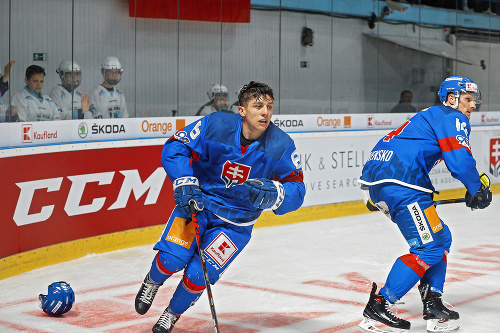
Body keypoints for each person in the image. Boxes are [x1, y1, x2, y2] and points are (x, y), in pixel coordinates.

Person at [134, 81, 305, 333]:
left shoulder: (281, 145)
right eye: (257, 106)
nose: (265, 112)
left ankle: (171, 314)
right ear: (242, 110)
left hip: (236, 225)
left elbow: (297, 189)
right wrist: (183, 179)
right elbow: (176, 145)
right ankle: (152, 281)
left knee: (197, 276)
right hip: (197, 205)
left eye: (269, 106)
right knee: (172, 258)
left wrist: (277, 194)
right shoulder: (215, 125)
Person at [357, 76, 492, 333]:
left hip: (388, 182)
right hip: (401, 184)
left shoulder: (430, 115)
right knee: (429, 247)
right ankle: (380, 303)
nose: (473, 105)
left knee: (440, 238)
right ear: (451, 99)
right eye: (468, 99)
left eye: (474, 100)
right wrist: (477, 190)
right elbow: (460, 162)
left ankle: (433, 303)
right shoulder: (451, 116)